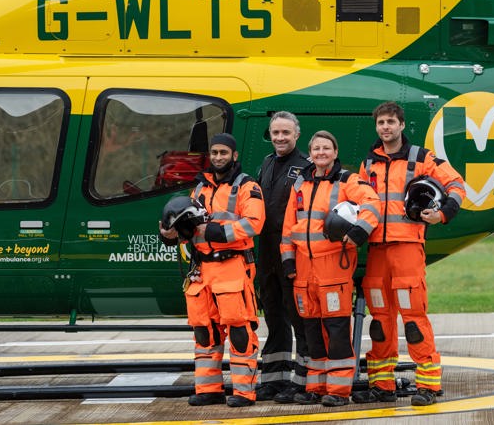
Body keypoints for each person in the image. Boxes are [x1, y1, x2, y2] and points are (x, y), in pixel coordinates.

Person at [352, 101, 466, 407]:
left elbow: (456, 183)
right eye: (381, 123)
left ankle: (428, 385)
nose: (386, 128)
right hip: (376, 250)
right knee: (380, 320)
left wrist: (443, 213)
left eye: (391, 122)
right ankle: (382, 384)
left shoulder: (422, 158)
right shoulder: (368, 164)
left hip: (407, 249)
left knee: (413, 319)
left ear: (402, 125)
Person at [159, 132, 265, 408]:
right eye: (215, 153)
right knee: (205, 331)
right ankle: (209, 389)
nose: (218, 157)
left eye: (224, 153)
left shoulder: (247, 186)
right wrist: (172, 234)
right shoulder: (199, 189)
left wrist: (215, 231)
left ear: (234, 156)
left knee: (240, 332)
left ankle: (243, 392)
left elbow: (254, 224)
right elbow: (191, 229)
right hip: (201, 269)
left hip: (232, 265)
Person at [280, 130, 380, 407]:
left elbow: (373, 203)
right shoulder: (301, 183)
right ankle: (316, 386)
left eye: (326, 148)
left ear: (335, 152)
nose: (321, 153)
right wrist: (288, 260)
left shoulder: (347, 180)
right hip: (302, 270)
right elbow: (289, 227)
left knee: (336, 331)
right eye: (316, 148)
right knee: (312, 332)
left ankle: (338, 391)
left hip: (333, 268)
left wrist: (360, 231)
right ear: (310, 153)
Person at [255, 112, 312, 403]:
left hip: (292, 253)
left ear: (296, 135)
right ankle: (274, 380)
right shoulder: (266, 163)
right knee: (274, 317)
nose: (280, 138)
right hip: (265, 253)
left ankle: (302, 381)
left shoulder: (307, 168)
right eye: (275, 132)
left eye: (285, 133)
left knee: (299, 318)